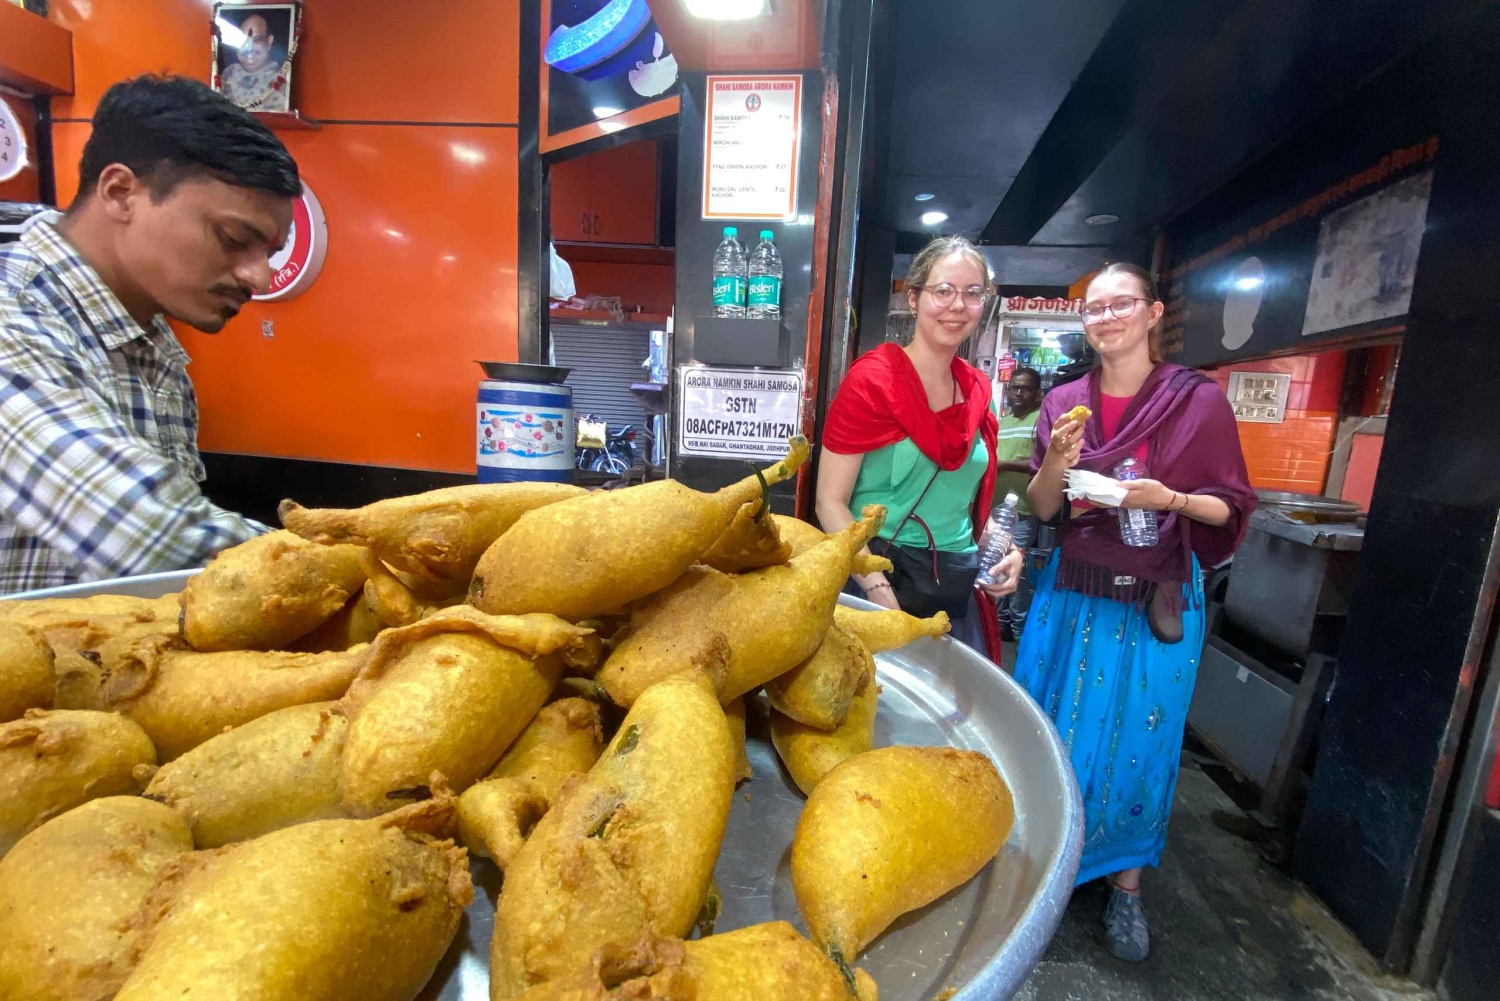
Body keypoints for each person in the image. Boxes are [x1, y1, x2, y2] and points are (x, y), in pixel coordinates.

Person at [1014, 262, 1255, 962]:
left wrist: (1170, 500)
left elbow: (1229, 507)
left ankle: (1125, 886)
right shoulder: (1063, 402)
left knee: (1141, 741)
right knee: (1054, 728)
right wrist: (1058, 459)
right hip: (1076, 588)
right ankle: (1049, 871)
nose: (1107, 316)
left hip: (1157, 600)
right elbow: (1044, 506)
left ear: (1153, 314)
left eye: (1122, 304)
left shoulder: (1197, 402)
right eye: (1094, 308)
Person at [0, 74, 301, 593]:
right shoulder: (12, 316)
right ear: (121, 193)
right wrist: (363, 572)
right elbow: (149, 536)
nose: (260, 277)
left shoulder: (151, 344)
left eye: (269, 254)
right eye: (233, 238)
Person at [817, 236, 1023, 662]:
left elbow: (964, 502)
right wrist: (876, 589)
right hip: (876, 577)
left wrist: (1006, 551)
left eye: (972, 293)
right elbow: (829, 502)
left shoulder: (977, 390)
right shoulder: (872, 382)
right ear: (914, 298)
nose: (957, 305)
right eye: (942, 290)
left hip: (954, 586)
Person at [995, 366, 1042, 640]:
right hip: (996, 513)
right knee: (996, 567)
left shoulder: (1039, 421)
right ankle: (1001, 625)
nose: (1019, 393)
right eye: (1014, 387)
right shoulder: (1002, 424)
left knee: (1017, 573)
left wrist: (1006, 465)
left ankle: (1019, 630)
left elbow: (1041, 464)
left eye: (1025, 388)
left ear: (1038, 393)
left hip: (1023, 512)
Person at [220, 13, 288, 112]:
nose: (249, 48)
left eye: (257, 40)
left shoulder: (280, 78)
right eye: (243, 40)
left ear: (269, 42)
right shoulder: (228, 74)